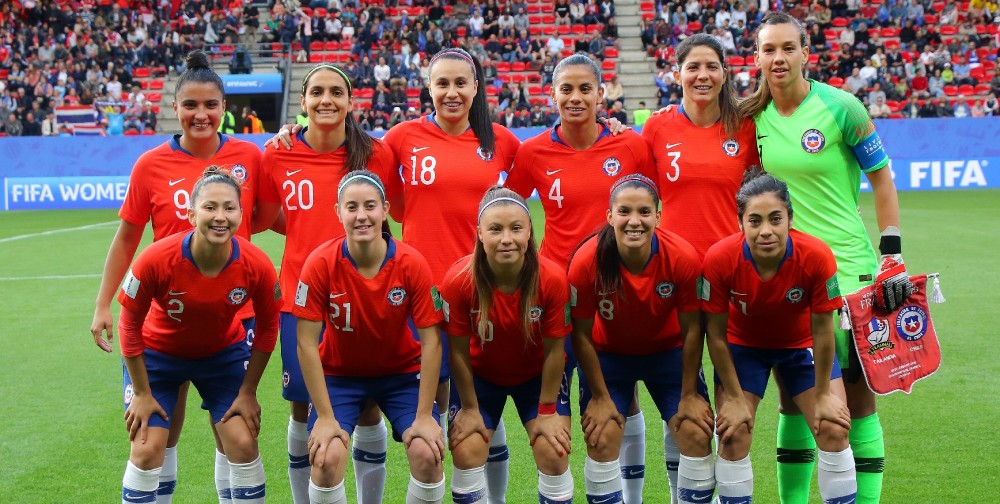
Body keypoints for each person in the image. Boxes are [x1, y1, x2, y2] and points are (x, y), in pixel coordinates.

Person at [740, 12, 912, 503]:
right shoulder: (752, 117)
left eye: (787, 47)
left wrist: (892, 253)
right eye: (769, 49)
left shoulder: (843, 108)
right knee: (795, 403)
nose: (778, 58)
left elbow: (882, 178)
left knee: (857, 400)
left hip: (849, 271)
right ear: (757, 57)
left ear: (805, 52)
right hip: (785, 274)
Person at [90, 50, 263, 504]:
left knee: (233, 434)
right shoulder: (151, 165)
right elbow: (128, 239)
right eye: (191, 105)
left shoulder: (250, 155)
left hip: (232, 316)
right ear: (175, 107)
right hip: (161, 321)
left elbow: (273, 217)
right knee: (158, 434)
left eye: (210, 105)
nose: (201, 114)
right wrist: (103, 303)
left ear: (225, 109)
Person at [504, 54, 655, 504]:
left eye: (584, 89)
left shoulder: (630, 146)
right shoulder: (533, 152)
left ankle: (631, 496)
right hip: (553, 293)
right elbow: (507, 209)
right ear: (551, 95)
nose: (575, 98)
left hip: (615, 292)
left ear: (600, 94)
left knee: (617, 399)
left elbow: (648, 211)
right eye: (565, 89)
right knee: (553, 399)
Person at [255, 63, 397, 504]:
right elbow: (266, 217)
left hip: (365, 298)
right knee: (303, 408)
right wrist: (302, 231)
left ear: (351, 102)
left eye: (337, 92)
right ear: (302, 102)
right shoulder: (277, 153)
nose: (326, 100)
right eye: (317, 92)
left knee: (368, 404)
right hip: (300, 298)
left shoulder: (376, 154)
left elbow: (387, 218)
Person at [639, 33, 760, 503]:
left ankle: (729, 484)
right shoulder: (656, 128)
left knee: (733, 397)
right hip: (673, 277)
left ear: (725, 72)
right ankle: (680, 493)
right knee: (683, 394)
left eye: (711, 66)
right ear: (677, 74)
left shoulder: (746, 127)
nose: (702, 75)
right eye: (693, 67)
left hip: (732, 277)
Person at [117, 166, 280, 504]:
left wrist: (248, 391)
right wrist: (143, 394)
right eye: (210, 208)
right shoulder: (156, 259)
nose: (220, 217)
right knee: (148, 449)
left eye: (229, 208)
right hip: (158, 358)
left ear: (240, 212)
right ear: (191, 214)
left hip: (221, 357)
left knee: (243, 441)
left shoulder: (257, 264)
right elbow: (128, 324)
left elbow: (268, 326)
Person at [702, 171, 856, 503]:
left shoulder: (816, 256)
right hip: (743, 349)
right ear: (740, 223)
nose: (766, 230)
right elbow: (714, 335)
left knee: (833, 426)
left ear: (790, 218)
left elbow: (823, 329)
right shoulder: (719, 258)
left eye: (776, 219)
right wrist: (735, 397)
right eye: (755, 221)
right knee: (733, 434)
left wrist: (824, 396)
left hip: (801, 348)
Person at [294, 170, 446, 504]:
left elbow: (432, 341)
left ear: (385, 209)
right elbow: (305, 341)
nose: (361, 215)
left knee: (427, 454)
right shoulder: (319, 263)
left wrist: (423, 417)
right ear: (338, 212)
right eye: (352, 207)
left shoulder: (411, 263)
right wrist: (323, 416)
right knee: (325, 458)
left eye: (370, 206)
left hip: (402, 375)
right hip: (340, 376)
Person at [567, 174, 711, 504]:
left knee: (696, 431)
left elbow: (693, 329)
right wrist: (600, 397)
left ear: (659, 216)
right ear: (610, 216)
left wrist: (689, 393)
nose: (635, 221)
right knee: (601, 436)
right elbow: (581, 335)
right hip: (609, 356)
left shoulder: (682, 257)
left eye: (645, 212)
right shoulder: (587, 260)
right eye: (625, 212)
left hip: (668, 353)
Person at [442, 187, 574, 504]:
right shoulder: (458, 279)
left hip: (538, 377)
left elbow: (557, 350)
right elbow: (456, 352)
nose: (506, 239)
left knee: (553, 450)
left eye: (516, 228)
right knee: (466, 449)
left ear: (530, 231)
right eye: (495, 229)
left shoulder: (553, 279)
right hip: (480, 376)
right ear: (479, 233)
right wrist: (470, 409)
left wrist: (546, 411)